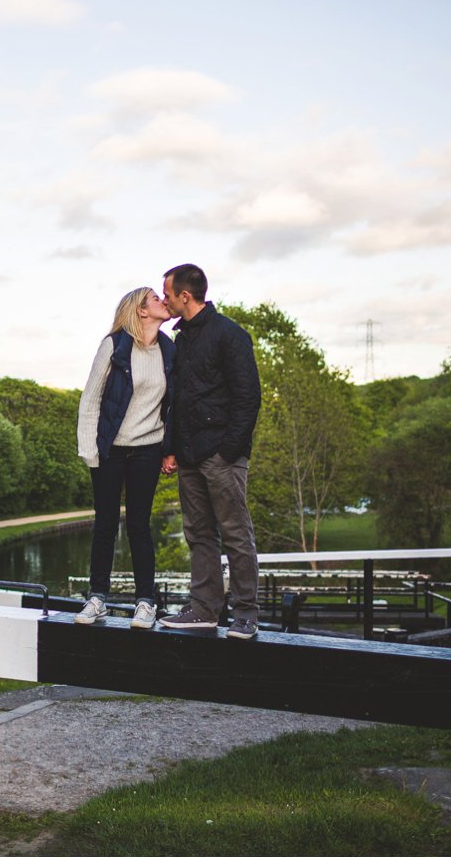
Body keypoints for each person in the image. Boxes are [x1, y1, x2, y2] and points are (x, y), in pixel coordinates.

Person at [157, 263, 263, 639]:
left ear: (185, 295)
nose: (164, 299)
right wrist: (170, 449)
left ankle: (247, 614)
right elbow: (177, 400)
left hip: (222, 456)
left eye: (167, 293)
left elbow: (248, 399)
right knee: (198, 534)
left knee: (236, 533)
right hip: (187, 456)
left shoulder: (230, 335)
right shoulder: (181, 339)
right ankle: (204, 609)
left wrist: (229, 451)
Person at [74, 286, 177, 629]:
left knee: (139, 526)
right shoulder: (114, 346)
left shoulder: (167, 349)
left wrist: (169, 448)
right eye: (155, 298)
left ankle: (146, 603)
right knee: (104, 524)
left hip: (147, 449)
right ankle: (97, 598)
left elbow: (173, 407)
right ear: (141, 311)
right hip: (110, 450)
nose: (163, 301)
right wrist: (90, 453)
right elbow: (90, 400)